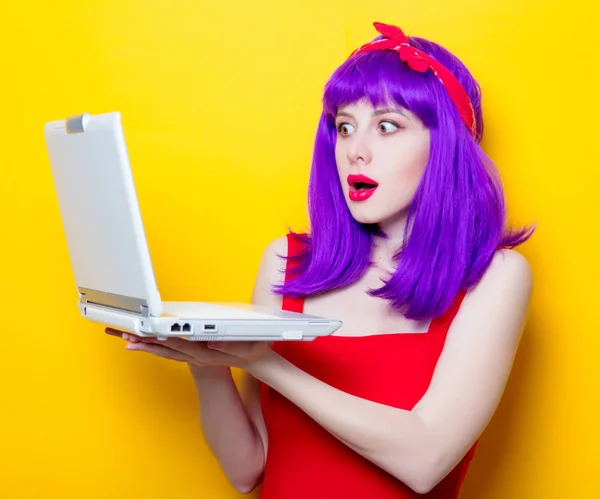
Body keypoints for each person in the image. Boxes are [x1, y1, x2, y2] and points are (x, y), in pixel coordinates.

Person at [107, 22, 534, 498]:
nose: (355, 150)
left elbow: (424, 459)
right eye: (344, 126)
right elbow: (248, 470)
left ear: (447, 145)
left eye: (387, 126)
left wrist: (267, 364)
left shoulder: (494, 277)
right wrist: (206, 360)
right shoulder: (286, 263)